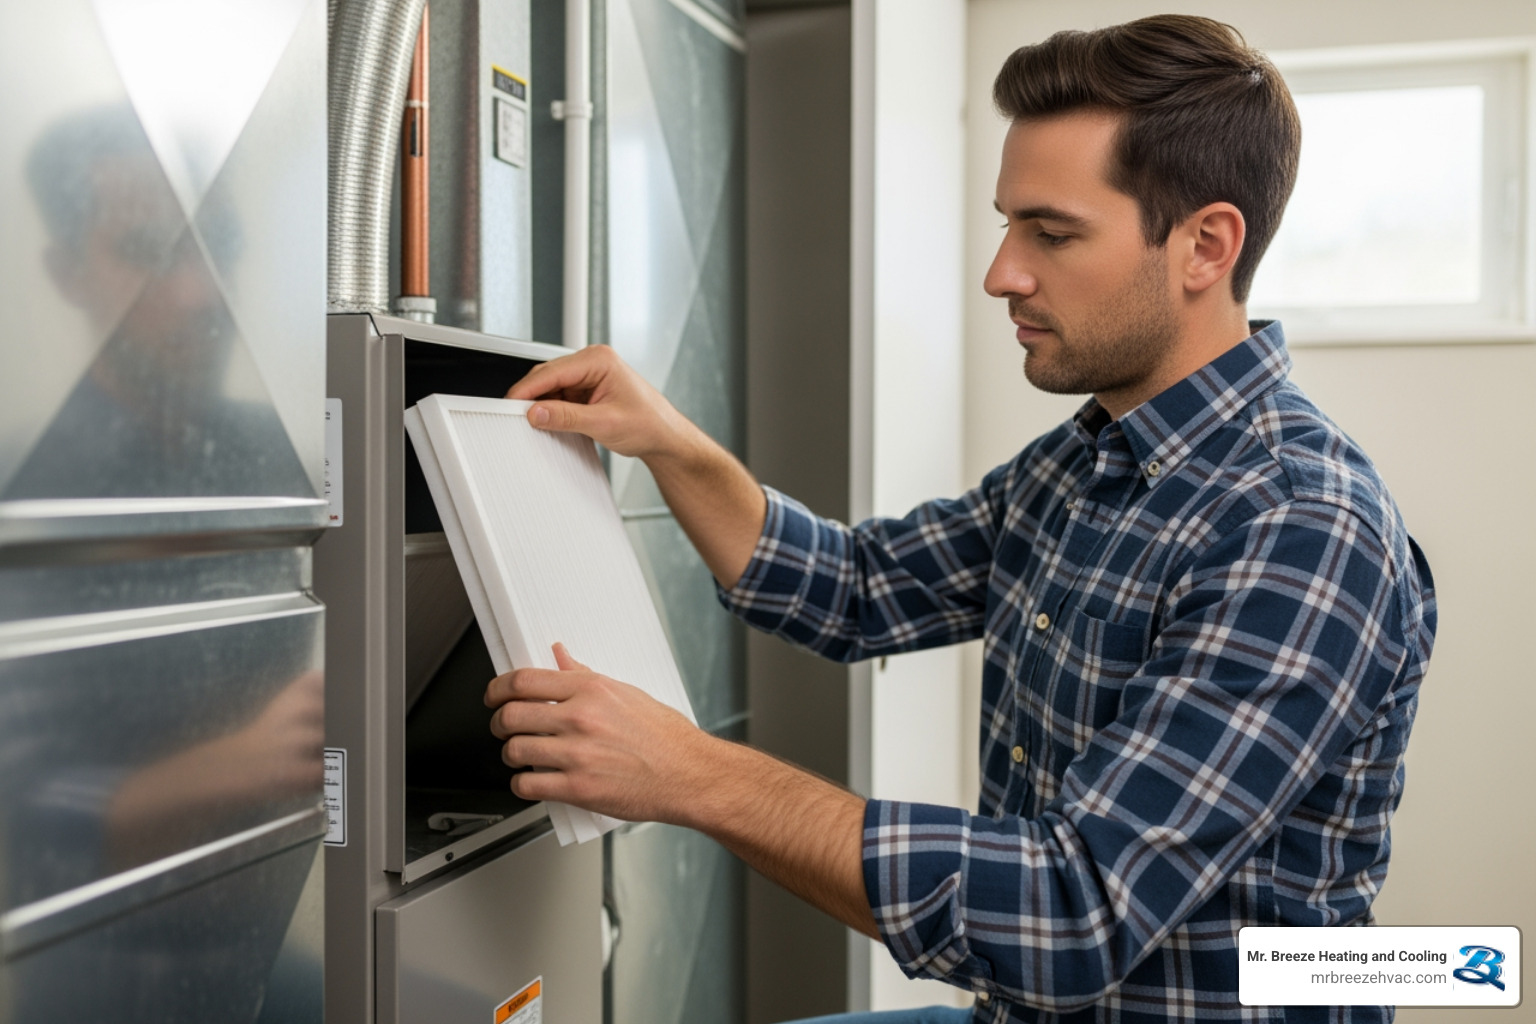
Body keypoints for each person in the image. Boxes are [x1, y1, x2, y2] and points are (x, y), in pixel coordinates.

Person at [489, 15, 1436, 1023]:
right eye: (1008, 225)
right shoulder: (1082, 461)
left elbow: (1071, 909)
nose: (1003, 275)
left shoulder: (1301, 527)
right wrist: (671, 440)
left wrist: (690, 771)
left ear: (1206, 243)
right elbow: (853, 587)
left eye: (1053, 232)